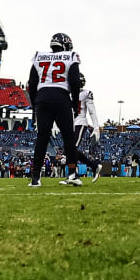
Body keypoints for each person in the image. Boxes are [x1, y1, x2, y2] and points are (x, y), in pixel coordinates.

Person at [28, 33, 83, 188]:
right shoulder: (70, 56)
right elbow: (74, 81)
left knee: (42, 138)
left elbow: (32, 83)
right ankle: (72, 174)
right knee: (68, 138)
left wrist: (35, 104)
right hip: (61, 98)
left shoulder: (39, 56)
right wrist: (74, 101)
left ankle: (35, 178)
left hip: (42, 98)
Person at [72, 76, 102, 181]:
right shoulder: (67, 93)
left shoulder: (86, 93)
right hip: (70, 124)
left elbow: (92, 111)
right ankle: (94, 166)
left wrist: (96, 127)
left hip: (80, 122)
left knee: (72, 148)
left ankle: (73, 176)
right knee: (70, 150)